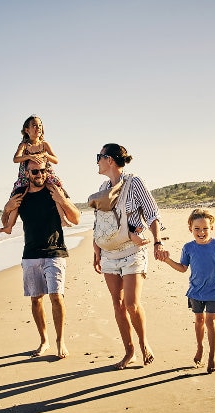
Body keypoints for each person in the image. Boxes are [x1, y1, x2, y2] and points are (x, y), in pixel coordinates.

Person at [91, 143, 169, 370]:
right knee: (117, 303)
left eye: (99, 157)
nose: (96, 161)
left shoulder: (135, 183)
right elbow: (100, 224)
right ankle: (129, 351)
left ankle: (144, 344)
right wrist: (96, 250)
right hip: (108, 254)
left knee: (132, 304)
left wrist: (157, 241)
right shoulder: (104, 186)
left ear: (110, 160)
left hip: (133, 252)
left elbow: (152, 213)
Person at [2, 159, 81, 358]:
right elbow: (6, 225)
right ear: (26, 174)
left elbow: (76, 218)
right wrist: (6, 207)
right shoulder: (20, 196)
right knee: (36, 299)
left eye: (43, 171)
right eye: (35, 172)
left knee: (56, 296)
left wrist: (62, 200)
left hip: (55, 251)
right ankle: (44, 340)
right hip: (30, 254)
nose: (40, 175)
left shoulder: (54, 191)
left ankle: (60, 340)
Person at [162, 208, 215, 374]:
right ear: (190, 229)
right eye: (197, 229)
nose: (201, 232)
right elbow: (183, 268)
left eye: (205, 228)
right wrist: (167, 260)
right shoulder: (188, 248)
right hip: (196, 291)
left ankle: (212, 356)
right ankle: (200, 347)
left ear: (211, 228)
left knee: (210, 322)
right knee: (199, 320)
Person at [0, 115, 71, 234]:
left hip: (45, 174)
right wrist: (29, 156)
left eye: (40, 125)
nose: (38, 128)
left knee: (55, 191)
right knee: (17, 197)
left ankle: (63, 219)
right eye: (34, 126)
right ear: (27, 130)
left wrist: (45, 155)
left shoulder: (44, 145)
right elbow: (16, 159)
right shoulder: (24, 145)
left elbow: (56, 160)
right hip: (26, 176)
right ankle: (9, 226)